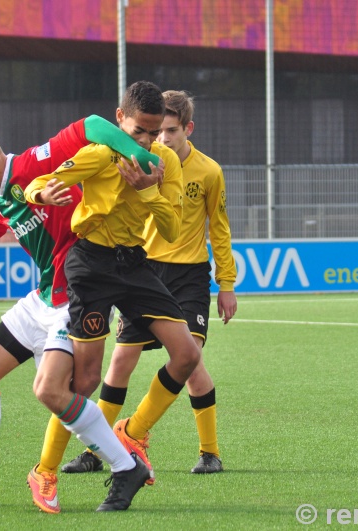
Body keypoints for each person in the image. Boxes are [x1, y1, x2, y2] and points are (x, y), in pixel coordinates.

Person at [0, 115, 156, 512]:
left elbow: (91, 126)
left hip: (76, 296)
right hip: (43, 298)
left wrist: (136, 152)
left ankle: (126, 466)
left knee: (52, 391)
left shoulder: (38, 162)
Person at [24, 81, 201, 497]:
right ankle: (44, 471)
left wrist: (150, 190)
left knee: (187, 355)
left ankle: (133, 432)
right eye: (138, 131)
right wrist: (42, 193)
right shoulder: (99, 154)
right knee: (84, 383)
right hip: (90, 266)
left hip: (135, 264)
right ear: (118, 120)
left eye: (155, 133)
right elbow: (36, 183)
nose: (147, 142)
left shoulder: (163, 164)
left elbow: (173, 229)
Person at [62, 90, 237, 476]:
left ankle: (205, 450)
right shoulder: (134, 156)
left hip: (189, 274)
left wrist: (227, 283)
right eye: (156, 131)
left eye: (169, 131)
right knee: (121, 360)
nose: (160, 140)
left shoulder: (208, 171)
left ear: (186, 128)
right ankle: (96, 449)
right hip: (143, 267)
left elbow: (219, 229)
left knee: (191, 358)